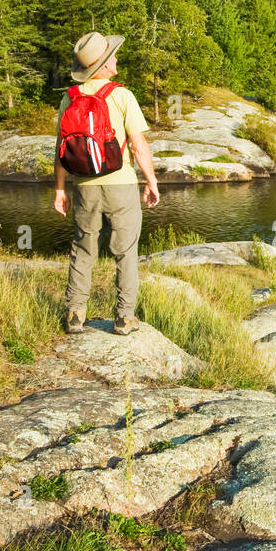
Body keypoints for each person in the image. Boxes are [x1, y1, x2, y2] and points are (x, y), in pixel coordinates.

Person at [53, 30, 160, 335]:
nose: (116, 58)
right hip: (121, 185)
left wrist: (60, 189)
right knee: (125, 252)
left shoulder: (69, 97)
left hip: (84, 186)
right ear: (103, 65)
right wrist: (151, 181)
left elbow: (60, 148)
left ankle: (75, 314)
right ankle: (124, 318)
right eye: (112, 55)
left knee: (83, 250)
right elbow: (138, 146)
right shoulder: (121, 95)